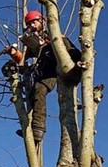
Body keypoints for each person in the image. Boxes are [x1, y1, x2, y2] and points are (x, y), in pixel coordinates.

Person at [7, 10, 81, 143]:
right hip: (45, 71)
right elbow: (23, 61)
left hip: (57, 67)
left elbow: (70, 50)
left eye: (34, 22)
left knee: (39, 91)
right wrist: (14, 53)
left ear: (42, 21)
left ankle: (37, 130)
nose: (32, 25)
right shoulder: (31, 41)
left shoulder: (55, 36)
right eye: (29, 23)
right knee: (35, 94)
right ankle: (34, 129)